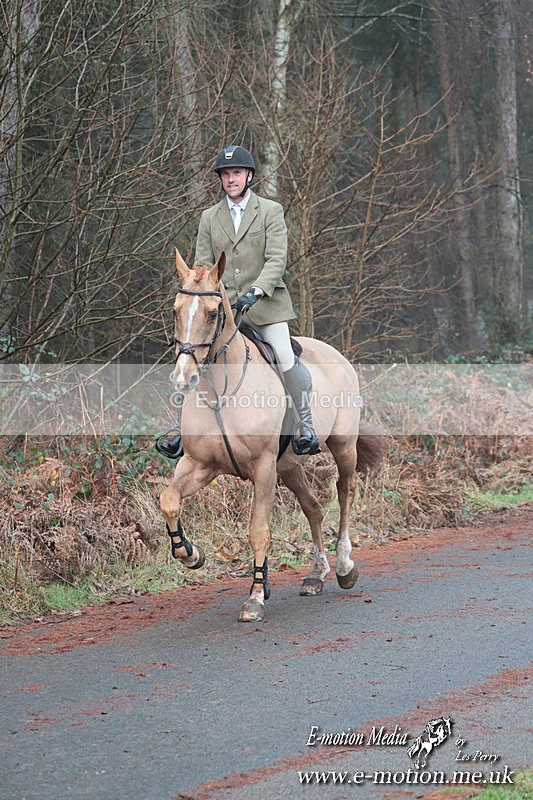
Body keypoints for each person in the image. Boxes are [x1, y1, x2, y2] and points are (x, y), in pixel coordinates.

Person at [156, 145, 320, 459]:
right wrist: (204, 293)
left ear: (249, 176)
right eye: (226, 174)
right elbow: (203, 266)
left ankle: (305, 426)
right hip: (223, 311)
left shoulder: (271, 211)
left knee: (285, 357)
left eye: (236, 173)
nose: (231, 179)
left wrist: (257, 290)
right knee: (191, 357)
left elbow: (276, 259)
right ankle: (181, 432)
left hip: (267, 307)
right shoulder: (209, 217)